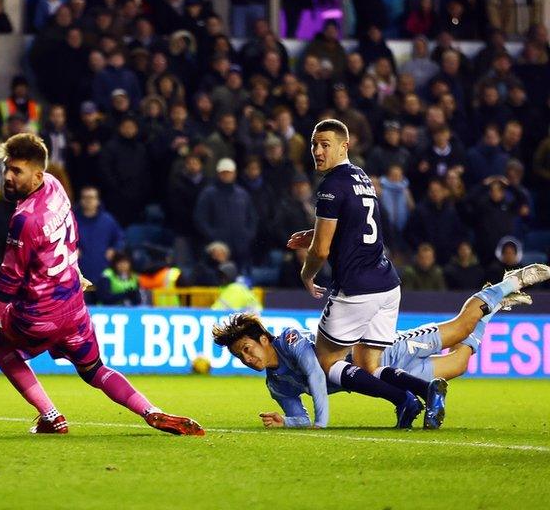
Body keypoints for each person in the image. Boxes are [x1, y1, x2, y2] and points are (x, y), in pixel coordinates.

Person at [0, 133, 204, 436]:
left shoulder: (24, 219)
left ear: (37, 174)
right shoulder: (56, 189)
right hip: (73, 308)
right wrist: (74, 268)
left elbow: (10, 279)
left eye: (16, 171)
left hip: (38, 315)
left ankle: (51, 416)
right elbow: (68, 232)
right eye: (7, 168)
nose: (7, 177)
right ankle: (152, 411)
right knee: (95, 370)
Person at [212, 267, 548, 428]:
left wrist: (321, 423)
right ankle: (493, 308)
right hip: (384, 374)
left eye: (246, 348)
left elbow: (315, 373)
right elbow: (296, 414)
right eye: (240, 356)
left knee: (461, 327)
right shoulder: (276, 385)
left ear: (263, 339)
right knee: (459, 364)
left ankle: (508, 282)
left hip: (387, 350)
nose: (247, 358)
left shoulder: (289, 339)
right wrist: (287, 422)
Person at [288, 119, 442, 429]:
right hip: (387, 284)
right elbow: (355, 224)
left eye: (325, 145)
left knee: (326, 362)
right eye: (314, 145)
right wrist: (314, 231)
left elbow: (320, 252)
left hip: (357, 290)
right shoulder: (359, 176)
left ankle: (404, 400)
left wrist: (307, 274)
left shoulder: (331, 186)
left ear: (344, 146)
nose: (317, 151)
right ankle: (427, 390)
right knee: (368, 365)